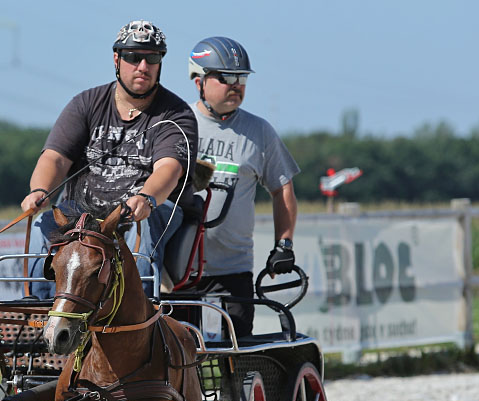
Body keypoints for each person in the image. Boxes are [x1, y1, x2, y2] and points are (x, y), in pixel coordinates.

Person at [20, 19, 197, 297]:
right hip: (82, 215)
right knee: (45, 223)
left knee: (146, 222)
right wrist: (39, 191)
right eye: (133, 57)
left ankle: (141, 306)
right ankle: (39, 314)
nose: (143, 66)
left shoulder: (176, 115)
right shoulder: (86, 104)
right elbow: (54, 159)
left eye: (152, 58)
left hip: (146, 211)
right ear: (117, 59)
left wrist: (146, 198)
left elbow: (169, 170)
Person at [186, 36, 299, 336]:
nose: (235, 85)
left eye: (241, 78)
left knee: (235, 362)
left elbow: (282, 189)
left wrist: (283, 245)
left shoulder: (259, 131)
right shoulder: (180, 124)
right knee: (179, 364)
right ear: (199, 80)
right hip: (179, 271)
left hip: (233, 269)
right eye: (226, 77)